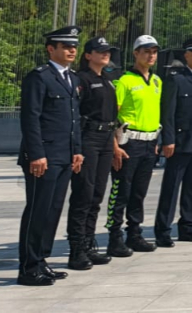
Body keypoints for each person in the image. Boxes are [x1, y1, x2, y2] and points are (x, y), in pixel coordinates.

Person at [16, 26, 84, 286]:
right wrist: (36, 154)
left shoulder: (72, 79)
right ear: (50, 49)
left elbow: (74, 120)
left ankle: (42, 260)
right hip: (43, 156)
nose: (71, 50)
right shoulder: (39, 77)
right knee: (37, 209)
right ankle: (28, 267)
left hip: (64, 155)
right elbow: (30, 118)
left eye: (73, 46)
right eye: (65, 46)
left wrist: (77, 150)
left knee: (53, 210)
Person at [154, 37, 192, 245]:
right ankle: (163, 230)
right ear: (187, 55)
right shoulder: (176, 79)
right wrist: (168, 139)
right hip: (180, 143)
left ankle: (188, 227)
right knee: (171, 188)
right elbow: (168, 113)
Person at [106, 33, 164, 257]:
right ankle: (114, 236)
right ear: (136, 54)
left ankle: (135, 233)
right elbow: (113, 115)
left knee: (139, 193)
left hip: (149, 143)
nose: (151, 55)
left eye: (154, 51)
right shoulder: (124, 81)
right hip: (128, 143)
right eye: (146, 51)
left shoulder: (157, 81)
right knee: (121, 191)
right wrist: (114, 147)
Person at [65, 36, 117, 271]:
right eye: (100, 51)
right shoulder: (81, 79)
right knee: (83, 195)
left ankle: (88, 244)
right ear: (88, 55)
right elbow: (75, 115)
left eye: (107, 51)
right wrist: (77, 148)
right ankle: (76, 249)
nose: (105, 54)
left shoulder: (107, 79)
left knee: (96, 195)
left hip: (106, 138)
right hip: (88, 138)